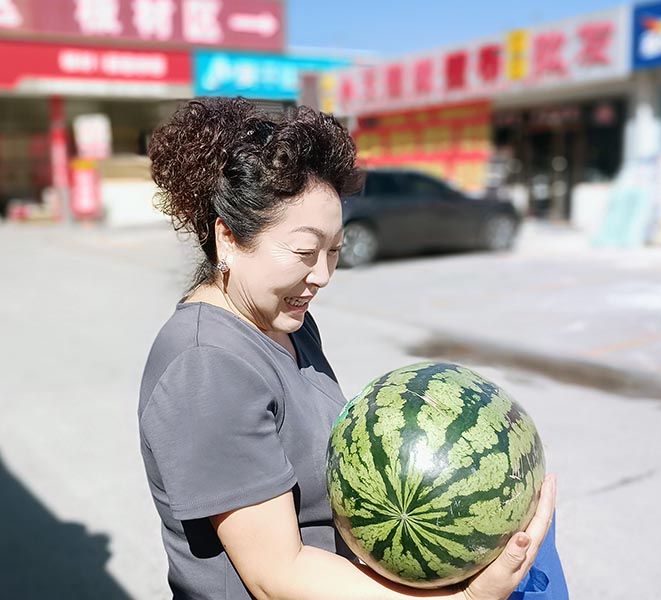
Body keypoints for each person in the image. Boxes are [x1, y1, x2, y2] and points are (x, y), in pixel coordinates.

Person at [138, 97, 566, 600]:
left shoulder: (289, 323)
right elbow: (276, 575)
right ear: (228, 238)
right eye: (304, 251)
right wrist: (465, 599)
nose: (321, 275)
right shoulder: (206, 366)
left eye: (334, 250)